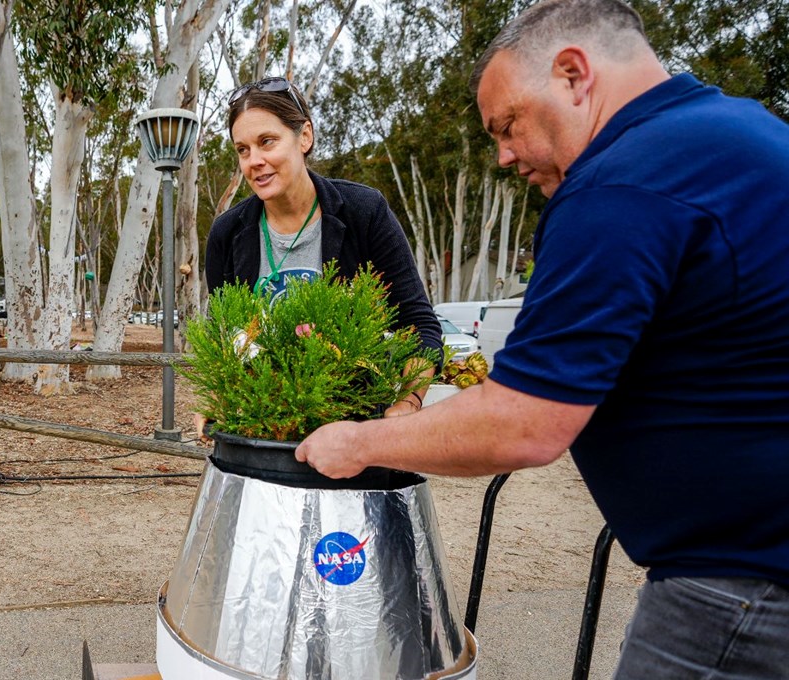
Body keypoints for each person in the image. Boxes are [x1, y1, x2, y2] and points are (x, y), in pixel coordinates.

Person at [294, 1, 789, 677]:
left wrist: (358, 443)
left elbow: (524, 421)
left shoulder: (621, 182)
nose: (503, 155)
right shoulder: (742, 133)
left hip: (742, 586)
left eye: (508, 126)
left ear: (573, 74)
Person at [206, 75, 443, 420]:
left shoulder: (364, 212)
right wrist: (218, 402)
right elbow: (221, 335)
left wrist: (407, 403)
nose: (253, 160)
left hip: (354, 426)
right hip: (262, 427)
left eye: (267, 142)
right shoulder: (227, 232)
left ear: (305, 136)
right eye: (243, 150)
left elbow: (419, 326)